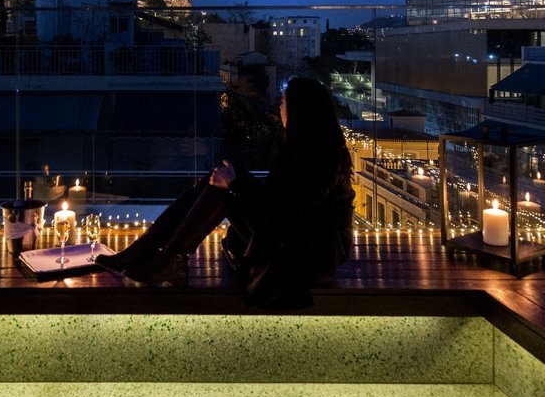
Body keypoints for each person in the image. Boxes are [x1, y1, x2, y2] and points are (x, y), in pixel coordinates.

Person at [96, 77, 354, 307]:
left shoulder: (322, 157)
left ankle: (168, 259)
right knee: (219, 178)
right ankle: (147, 251)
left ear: (300, 110)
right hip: (294, 236)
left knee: (223, 189)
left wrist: (235, 185)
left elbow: (285, 213)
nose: (280, 107)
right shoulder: (305, 147)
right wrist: (233, 180)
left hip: (313, 251)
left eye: (285, 102)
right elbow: (281, 203)